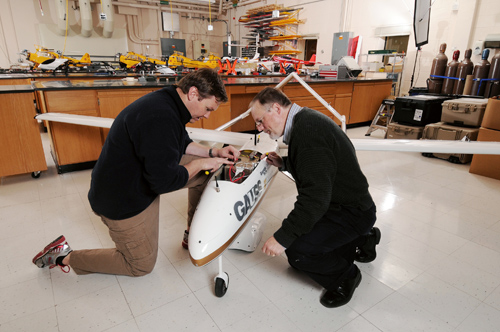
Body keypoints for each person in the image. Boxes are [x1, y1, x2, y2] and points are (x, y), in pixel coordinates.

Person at [32, 68, 240, 276]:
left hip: (141, 176)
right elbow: (165, 182)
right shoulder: (160, 116)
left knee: (207, 173)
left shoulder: (169, 101)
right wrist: (200, 164)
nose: (207, 115)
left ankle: (193, 233)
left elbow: (182, 141)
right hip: (121, 199)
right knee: (140, 265)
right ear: (193, 93)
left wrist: (213, 152)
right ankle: (62, 255)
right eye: (208, 108)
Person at [249, 87, 380, 308]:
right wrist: (286, 163)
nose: (260, 129)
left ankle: (347, 276)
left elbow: (315, 198)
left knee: (298, 253)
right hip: (351, 203)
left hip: (350, 211)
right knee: (308, 237)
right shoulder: (306, 119)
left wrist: (283, 238)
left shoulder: (307, 133)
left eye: (261, 121)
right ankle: (365, 238)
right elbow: (322, 165)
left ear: (277, 109)